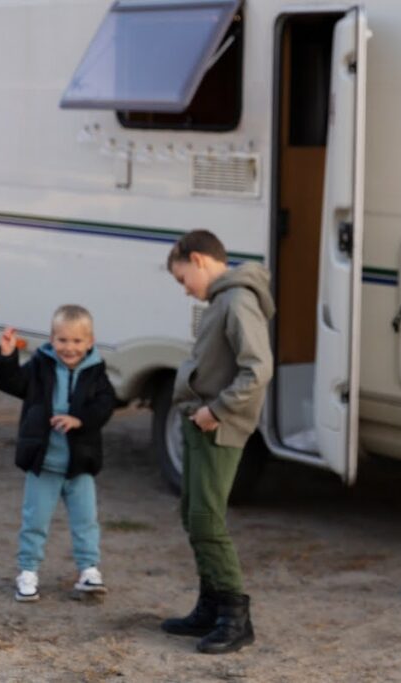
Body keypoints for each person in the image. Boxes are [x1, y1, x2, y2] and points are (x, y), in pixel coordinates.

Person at [160, 229, 275, 655]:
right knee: (193, 515)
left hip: (217, 426)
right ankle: (209, 606)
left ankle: (235, 617)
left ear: (198, 260)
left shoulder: (238, 299)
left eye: (182, 278)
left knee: (207, 520)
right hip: (200, 422)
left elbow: (257, 368)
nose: (184, 289)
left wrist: (218, 410)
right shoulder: (221, 300)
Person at [0, 304, 116, 602]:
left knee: (86, 521)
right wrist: (7, 356)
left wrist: (80, 420)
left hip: (80, 464)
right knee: (35, 521)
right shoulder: (41, 365)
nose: (69, 347)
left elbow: (106, 405)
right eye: (62, 340)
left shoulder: (96, 371)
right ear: (51, 339)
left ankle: (89, 570)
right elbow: (12, 383)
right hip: (44, 462)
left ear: (90, 342)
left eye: (77, 341)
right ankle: (28, 572)